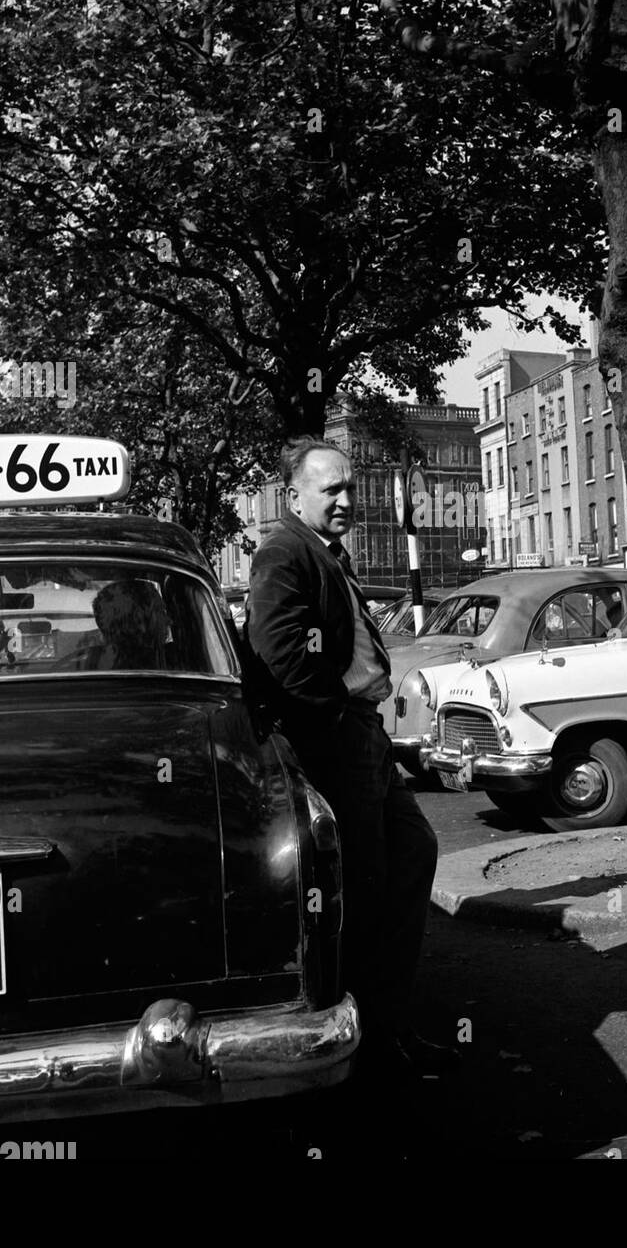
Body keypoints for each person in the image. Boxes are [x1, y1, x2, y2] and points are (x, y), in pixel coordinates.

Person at [245, 438, 453, 1081]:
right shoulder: (284, 552)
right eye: (330, 489)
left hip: (362, 735)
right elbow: (279, 651)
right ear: (294, 496)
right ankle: (363, 1041)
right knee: (361, 890)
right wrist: (336, 711)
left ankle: (387, 1022)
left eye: (350, 488)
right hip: (337, 741)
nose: (344, 500)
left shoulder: (325, 552)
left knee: (411, 855)